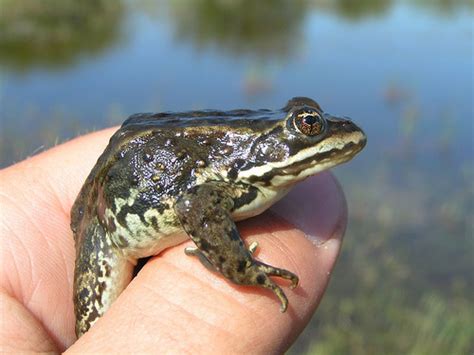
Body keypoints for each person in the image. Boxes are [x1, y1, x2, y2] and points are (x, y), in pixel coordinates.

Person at [0, 128, 347, 353]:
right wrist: (241, 268)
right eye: (309, 127)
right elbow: (193, 205)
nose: (329, 133)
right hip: (106, 224)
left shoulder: (243, 182)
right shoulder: (232, 178)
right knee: (94, 331)